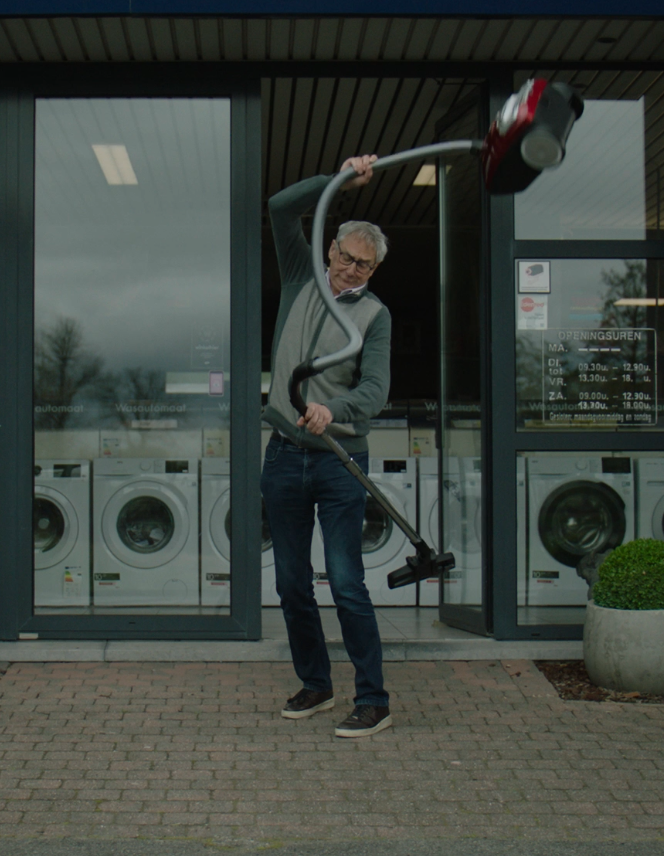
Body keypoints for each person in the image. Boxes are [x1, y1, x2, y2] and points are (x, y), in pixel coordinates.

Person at [261, 154, 394, 738]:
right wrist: (337, 179)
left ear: (374, 269)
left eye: (363, 265)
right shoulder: (301, 277)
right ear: (331, 249)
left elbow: (374, 391)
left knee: (345, 583)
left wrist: (332, 410)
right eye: (345, 257)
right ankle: (316, 684)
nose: (350, 271)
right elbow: (279, 208)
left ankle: (373, 699)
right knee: (291, 583)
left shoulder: (375, 315)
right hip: (283, 455)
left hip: (340, 461)